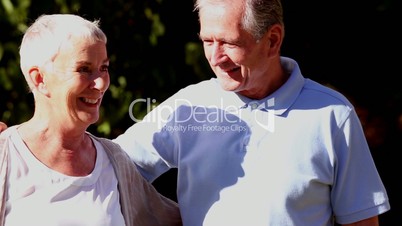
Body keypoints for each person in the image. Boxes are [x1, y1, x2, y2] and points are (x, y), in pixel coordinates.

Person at [0, 1, 391, 226]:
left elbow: (361, 222)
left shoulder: (331, 115)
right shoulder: (190, 105)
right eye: (207, 41)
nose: (215, 58)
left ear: (272, 40)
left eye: (229, 43)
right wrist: (19, 148)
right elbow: (104, 165)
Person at [0, 14, 181, 226]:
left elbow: (182, 220)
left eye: (104, 68)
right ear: (39, 78)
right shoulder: (6, 156)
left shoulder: (114, 160)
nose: (101, 83)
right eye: (84, 69)